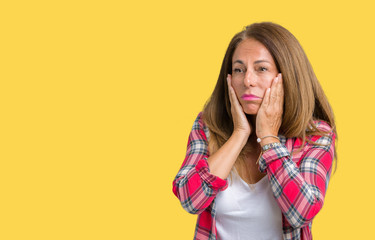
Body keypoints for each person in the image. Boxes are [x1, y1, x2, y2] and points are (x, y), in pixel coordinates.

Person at [172, 22, 337, 240]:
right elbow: (189, 199)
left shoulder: (315, 136)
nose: (247, 81)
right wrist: (239, 133)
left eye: (262, 69)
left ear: (287, 76)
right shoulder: (206, 126)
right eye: (239, 69)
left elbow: (302, 213)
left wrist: (268, 138)